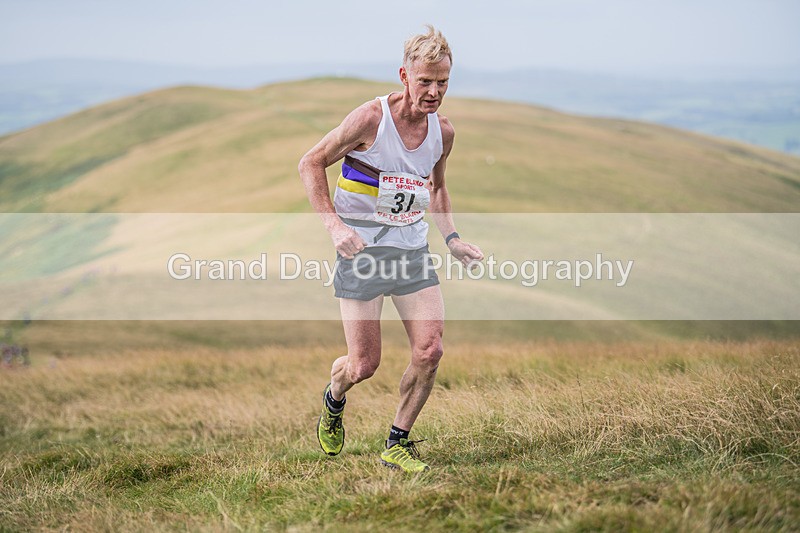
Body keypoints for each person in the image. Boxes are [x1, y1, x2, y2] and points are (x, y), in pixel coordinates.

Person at [298, 25, 483, 472]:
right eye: (425, 81)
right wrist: (334, 226)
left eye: (443, 82)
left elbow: (437, 189)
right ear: (405, 75)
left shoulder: (444, 133)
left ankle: (396, 443)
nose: (434, 91)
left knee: (430, 350)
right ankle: (334, 395)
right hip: (360, 254)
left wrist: (453, 239)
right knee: (363, 365)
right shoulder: (370, 119)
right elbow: (310, 162)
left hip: (411, 251)